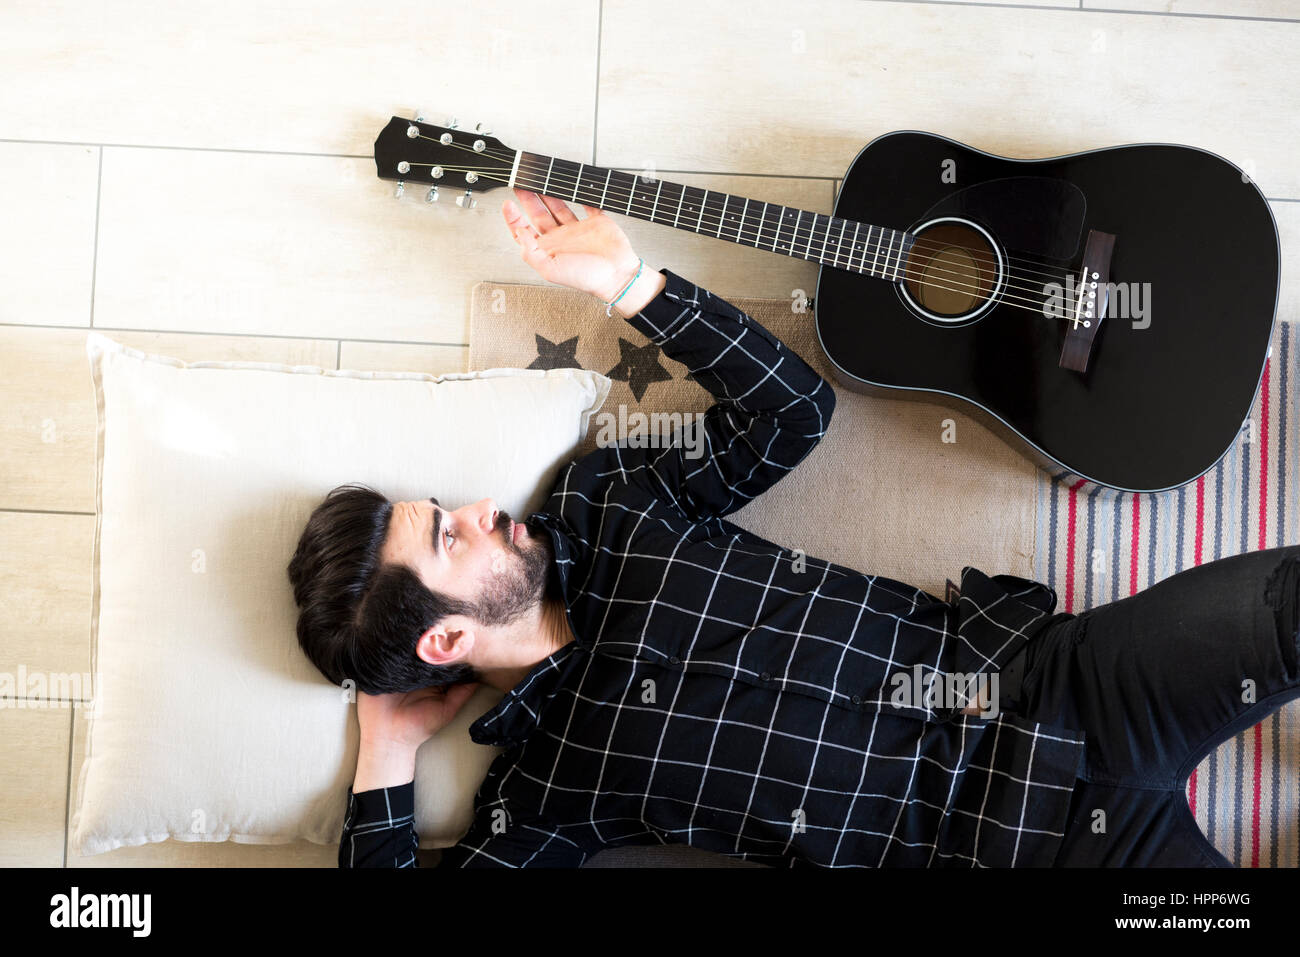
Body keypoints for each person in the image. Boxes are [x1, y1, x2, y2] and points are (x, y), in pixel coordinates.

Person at [287, 188, 1300, 868]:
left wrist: (630, 286)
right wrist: (387, 752)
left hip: (1065, 679)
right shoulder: (545, 785)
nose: (475, 512)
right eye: (446, 540)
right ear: (446, 639)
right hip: (1021, 851)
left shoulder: (605, 506)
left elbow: (791, 415)